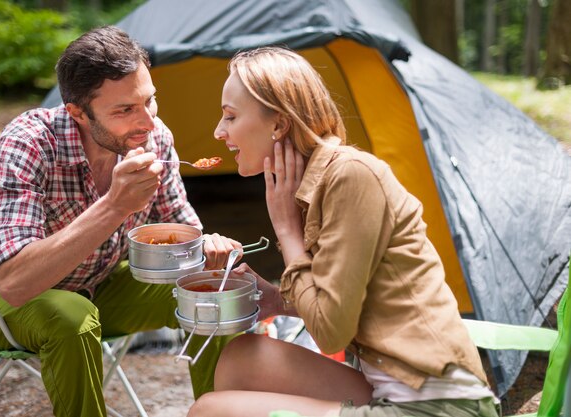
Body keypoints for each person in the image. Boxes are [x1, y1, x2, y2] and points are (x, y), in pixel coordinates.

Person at [187, 47, 500, 417]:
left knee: (210, 411)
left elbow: (331, 333)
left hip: (436, 403)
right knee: (242, 358)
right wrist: (275, 300)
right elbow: (345, 305)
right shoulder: (315, 186)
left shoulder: (351, 176)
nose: (218, 132)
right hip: (382, 383)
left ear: (278, 124)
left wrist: (287, 230)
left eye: (230, 117)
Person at [0, 26, 240, 416]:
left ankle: (220, 410)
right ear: (77, 113)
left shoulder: (151, 138)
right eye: (124, 110)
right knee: (72, 317)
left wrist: (206, 250)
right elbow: (15, 284)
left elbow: (178, 228)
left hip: (98, 286)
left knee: (209, 288)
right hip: (0, 309)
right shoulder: (29, 143)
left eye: (149, 101)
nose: (148, 123)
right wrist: (115, 206)